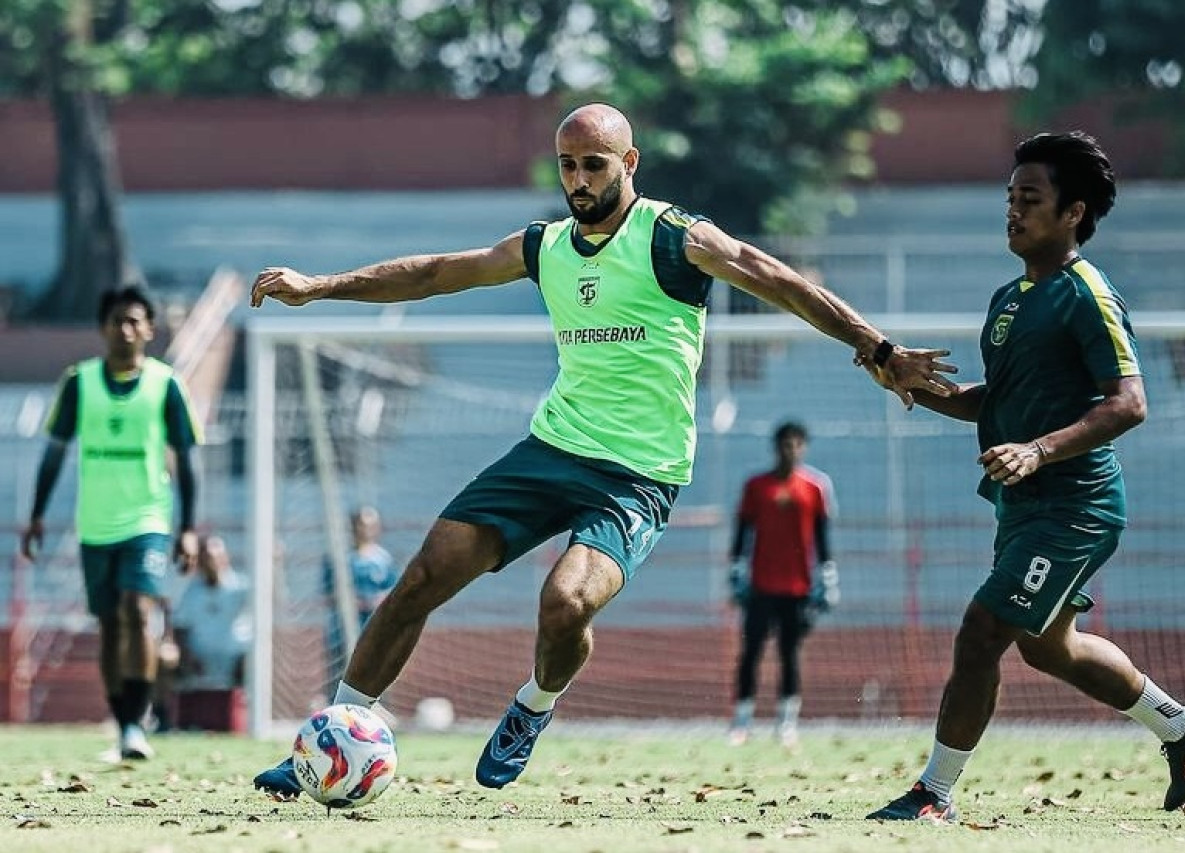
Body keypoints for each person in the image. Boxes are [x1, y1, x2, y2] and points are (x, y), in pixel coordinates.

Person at [248, 102, 958, 798]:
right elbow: (436, 271)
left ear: (629, 163)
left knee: (564, 604)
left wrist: (877, 347)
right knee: (423, 576)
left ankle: (534, 701)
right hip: (552, 448)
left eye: (594, 164)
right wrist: (319, 288)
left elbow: (775, 278)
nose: (579, 179)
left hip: (638, 476)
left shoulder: (673, 237)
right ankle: (336, 734)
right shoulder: (546, 246)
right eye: (568, 165)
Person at [863, 132, 1185, 822]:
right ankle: (1181, 725)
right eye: (1010, 198)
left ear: (1072, 213)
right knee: (1048, 647)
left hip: (1076, 505)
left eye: (1030, 199)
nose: (1013, 210)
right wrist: (902, 381)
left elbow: (1129, 402)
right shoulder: (1008, 298)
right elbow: (988, 403)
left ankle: (933, 794)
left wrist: (1038, 450)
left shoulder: (1088, 294)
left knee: (981, 631)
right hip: (1024, 506)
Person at [19, 285, 202, 761]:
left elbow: (186, 456)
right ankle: (122, 725)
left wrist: (187, 526)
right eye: (116, 320)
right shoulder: (79, 383)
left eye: (134, 321)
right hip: (95, 525)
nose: (125, 329)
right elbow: (54, 452)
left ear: (149, 329)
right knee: (110, 626)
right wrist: (37, 515)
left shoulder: (166, 385)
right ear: (103, 327)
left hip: (148, 520)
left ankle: (138, 725)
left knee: (138, 612)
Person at [727, 421, 837, 748]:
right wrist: (736, 571)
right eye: (785, 444)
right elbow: (742, 531)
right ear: (776, 447)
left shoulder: (815, 487)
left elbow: (821, 535)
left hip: (798, 589)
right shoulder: (756, 486)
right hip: (760, 586)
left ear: (803, 447)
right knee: (751, 653)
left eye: (796, 444)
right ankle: (741, 722)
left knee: (790, 655)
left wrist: (827, 577)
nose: (790, 450)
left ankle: (786, 724)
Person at [171, 534, 251, 695]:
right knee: (167, 660)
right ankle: (166, 714)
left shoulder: (242, 587)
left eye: (214, 557)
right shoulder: (190, 592)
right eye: (206, 558)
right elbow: (179, 628)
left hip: (236, 658)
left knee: (255, 663)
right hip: (200, 660)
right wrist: (187, 656)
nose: (210, 563)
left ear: (225, 558)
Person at [347, 506, 398, 629]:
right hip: (347, 621)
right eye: (363, 525)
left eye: (372, 526)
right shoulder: (343, 558)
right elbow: (328, 592)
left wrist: (376, 602)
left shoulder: (384, 558)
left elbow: (392, 588)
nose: (367, 531)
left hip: (375, 620)